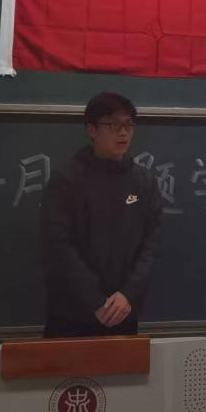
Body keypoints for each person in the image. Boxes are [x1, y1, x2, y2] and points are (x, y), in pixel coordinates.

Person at [40, 92, 162, 338]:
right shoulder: (66, 179)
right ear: (91, 129)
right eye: (113, 125)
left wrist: (127, 295)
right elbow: (58, 246)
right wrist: (95, 300)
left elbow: (151, 244)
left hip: (124, 312)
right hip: (72, 315)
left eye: (128, 125)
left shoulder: (144, 181)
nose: (123, 133)